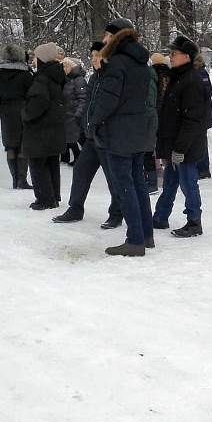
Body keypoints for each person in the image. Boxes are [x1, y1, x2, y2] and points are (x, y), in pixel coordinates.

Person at [90, 18, 157, 256]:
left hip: (120, 134)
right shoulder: (141, 62)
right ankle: (146, 235)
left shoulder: (116, 63)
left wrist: (93, 122)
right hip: (139, 132)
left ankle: (135, 240)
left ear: (116, 37)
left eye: (108, 35)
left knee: (124, 185)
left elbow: (108, 99)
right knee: (138, 183)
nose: (104, 39)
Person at [52, 42, 123, 227]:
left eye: (96, 55)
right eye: (91, 56)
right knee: (81, 170)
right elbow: (87, 105)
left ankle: (116, 213)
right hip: (92, 137)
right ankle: (75, 208)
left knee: (112, 178)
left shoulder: (113, 77)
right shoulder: (94, 78)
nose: (93, 59)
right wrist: (84, 125)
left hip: (108, 137)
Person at [152, 35, 210, 238]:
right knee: (169, 183)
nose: (171, 56)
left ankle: (194, 222)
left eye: (174, 53)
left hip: (185, 146)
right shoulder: (177, 77)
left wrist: (180, 148)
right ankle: (160, 217)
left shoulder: (192, 81)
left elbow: (192, 120)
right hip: (174, 143)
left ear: (186, 56)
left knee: (188, 183)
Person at [21, 42, 67, 210]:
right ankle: (53, 196)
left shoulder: (42, 79)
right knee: (52, 163)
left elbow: (38, 103)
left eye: (36, 57)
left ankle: (44, 199)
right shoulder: (56, 75)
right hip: (54, 128)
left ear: (42, 59)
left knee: (38, 164)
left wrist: (25, 114)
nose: (33, 60)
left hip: (40, 130)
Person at [0, 43, 34, 189]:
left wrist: (3, 104)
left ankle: (15, 179)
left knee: (10, 146)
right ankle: (22, 180)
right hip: (23, 111)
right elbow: (32, 93)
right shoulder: (26, 74)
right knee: (23, 145)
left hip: (6, 112)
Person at [143, 52, 172, 192]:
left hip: (155, 114)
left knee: (150, 148)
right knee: (164, 146)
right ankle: (168, 174)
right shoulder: (170, 75)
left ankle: (154, 178)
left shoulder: (152, 76)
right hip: (168, 115)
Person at [61, 57, 87, 165]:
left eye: (66, 66)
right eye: (63, 66)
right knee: (69, 137)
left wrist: (78, 113)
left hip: (74, 114)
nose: (64, 68)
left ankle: (82, 158)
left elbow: (83, 98)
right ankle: (73, 157)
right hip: (67, 113)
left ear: (72, 67)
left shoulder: (78, 80)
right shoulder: (67, 79)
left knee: (76, 138)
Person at [194, 53, 212, 179]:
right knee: (199, 141)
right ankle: (201, 167)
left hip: (202, 114)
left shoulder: (201, 73)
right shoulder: (199, 72)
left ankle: (203, 168)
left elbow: (207, 92)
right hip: (202, 113)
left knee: (201, 141)